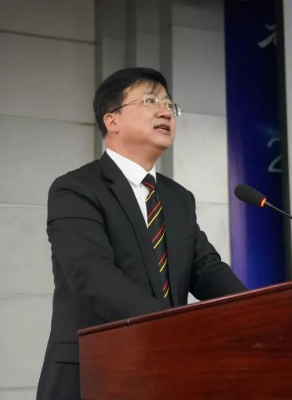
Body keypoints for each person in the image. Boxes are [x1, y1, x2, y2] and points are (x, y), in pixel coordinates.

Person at [36, 67, 247, 400]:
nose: (165, 111)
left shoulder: (178, 198)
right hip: (94, 370)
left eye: (169, 104)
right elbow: (91, 276)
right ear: (112, 120)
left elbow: (206, 269)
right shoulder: (76, 189)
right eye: (150, 101)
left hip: (165, 370)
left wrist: (255, 312)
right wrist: (175, 327)